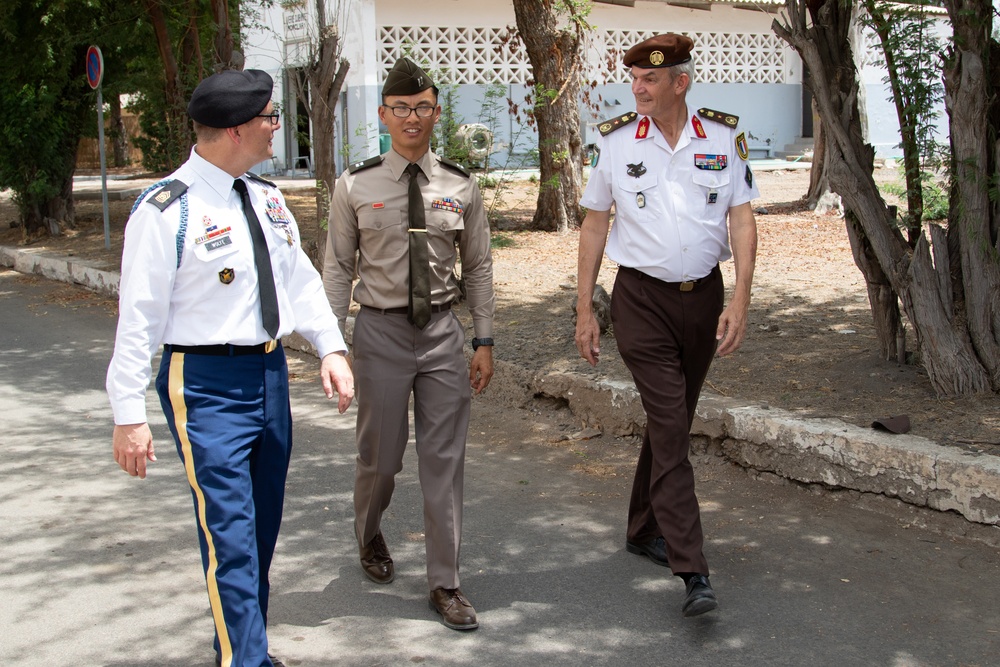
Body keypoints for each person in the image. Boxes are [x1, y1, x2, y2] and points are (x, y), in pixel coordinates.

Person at [106, 68, 355, 667]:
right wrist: (127, 412)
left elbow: (301, 281)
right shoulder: (166, 209)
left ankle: (244, 648)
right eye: (270, 118)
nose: (277, 129)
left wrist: (331, 347)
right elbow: (137, 316)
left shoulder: (267, 199)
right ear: (237, 130)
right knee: (231, 538)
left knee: (259, 530)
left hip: (269, 377)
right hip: (203, 384)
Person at [575, 33, 758, 617]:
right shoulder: (616, 141)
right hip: (641, 303)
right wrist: (584, 306)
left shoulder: (724, 137)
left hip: (704, 299)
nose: (638, 87)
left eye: (650, 79)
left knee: (669, 420)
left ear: (680, 81)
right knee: (673, 425)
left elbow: (742, 218)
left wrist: (742, 300)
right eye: (633, 77)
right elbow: (594, 226)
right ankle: (692, 568)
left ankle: (640, 528)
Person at [323, 57, 495, 631]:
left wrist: (484, 339)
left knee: (444, 462)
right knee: (382, 458)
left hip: (443, 334)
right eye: (401, 108)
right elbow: (336, 271)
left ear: (436, 112)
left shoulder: (461, 185)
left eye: (422, 106)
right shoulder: (354, 185)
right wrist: (332, 346)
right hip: (379, 334)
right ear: (383, 115)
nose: (412, 117)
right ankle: (369, 532)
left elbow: (479, 270)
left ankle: (445, 583)